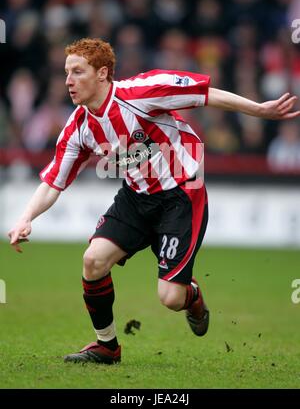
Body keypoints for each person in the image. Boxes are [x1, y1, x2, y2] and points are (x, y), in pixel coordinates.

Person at [8, 38, 300, 365]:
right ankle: (107, 347)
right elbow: (53, 182)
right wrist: (26, 217)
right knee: (93, 261)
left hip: (181, 194)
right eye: (66, 73)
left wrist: (259, 110)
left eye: (78, 72)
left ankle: (193, 298)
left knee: (170, 298)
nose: (68, 81)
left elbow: (206, 95)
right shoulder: (79, 127)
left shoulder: (143, 92)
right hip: (136, 196)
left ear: (103, 73)